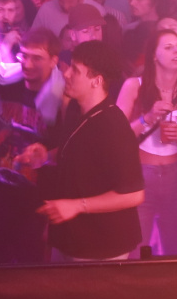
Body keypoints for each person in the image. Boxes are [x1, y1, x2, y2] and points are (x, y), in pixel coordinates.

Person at [17, 39, 144, 262]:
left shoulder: (113, 126)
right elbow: (81, 149)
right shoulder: (76, 109)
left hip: (102, 244)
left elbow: (133, 194)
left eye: (75, 70)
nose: (66, 74)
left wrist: (77, 206)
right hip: (72, 237)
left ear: (97, 81)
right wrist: (47, 156)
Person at [116, 27, 177, 255]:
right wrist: (147, 118)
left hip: (176, 176)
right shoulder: (134, 86)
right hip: (140, 174)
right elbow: (116, 137)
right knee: (135, 249)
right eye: (168, 47)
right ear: (154, 56)